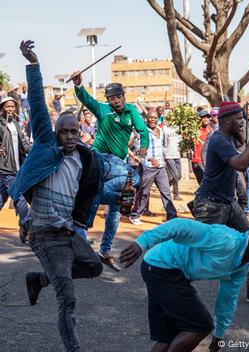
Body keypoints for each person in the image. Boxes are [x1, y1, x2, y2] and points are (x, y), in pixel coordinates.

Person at [12, 40, 105, 352]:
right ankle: (74, 348)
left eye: (74, 132)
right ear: (56, 133)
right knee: (67, 297)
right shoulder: (44, 148)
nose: (69, 136)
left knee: (94, 267)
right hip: (44, 235)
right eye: (65, 131)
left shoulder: (85, 158)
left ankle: (40, 278)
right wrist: (34, 65)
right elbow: (37, 104)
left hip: (68, 233)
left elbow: (93, 191)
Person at [120, 218, 249, 352]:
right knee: (199, 325)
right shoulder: (226, 240)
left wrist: (219, 334)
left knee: (169, 336)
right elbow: (181, 225)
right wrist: (142, 242)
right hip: (162, 267)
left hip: (163, 269)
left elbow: (227, 298)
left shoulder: (243, 265)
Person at [193, 101, 249, 303]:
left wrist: (241, 132)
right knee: (197, 252)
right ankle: (168, 277)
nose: (243, 122)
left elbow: (240, 145)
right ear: (227, 120)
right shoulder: (219, 140)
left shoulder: (227, 137)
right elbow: (241, 164)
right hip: (210, 206)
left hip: (228, 203)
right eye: (239, 119)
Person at [70, 69, 149, 270]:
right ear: (108, 100)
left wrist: (144, 146)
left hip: (118, 162)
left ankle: (104, 251)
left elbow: (142, 130)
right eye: (112, 98)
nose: (116, 101)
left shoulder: (131, 111)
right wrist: (79, 84)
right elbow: (85, 98)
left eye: (118, 97)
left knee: (116, 208)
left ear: (124, 96)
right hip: (99, 159)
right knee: (133, 179)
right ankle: (98, 199)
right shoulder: (103, 110)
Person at [129, 109, 177, 225]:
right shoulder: (143, 132)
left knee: (166, 192)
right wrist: (150, 158)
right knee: (144, 192)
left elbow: (163, 146)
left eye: (155, 118)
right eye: (150, 117)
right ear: (147, 118)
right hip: (148, 167)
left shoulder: (161, 130)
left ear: (157, 119)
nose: (152, 120)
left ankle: (172, 217)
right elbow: (140, 148)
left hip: (161, 167)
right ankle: (135, 214)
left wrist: (163, 158)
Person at [0, 96, 31, 238]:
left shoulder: (17, 124)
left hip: (19, 167)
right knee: (20, 198)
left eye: (12, 107)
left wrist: (35, 150)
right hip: (6, 168)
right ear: (2, 109)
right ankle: (26, 227)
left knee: (2, 198)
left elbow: (24, 143)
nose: (11, 109)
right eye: (7, 107)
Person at [163, 118, 182, 200]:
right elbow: (163, 143)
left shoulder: (178, 128)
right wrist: (164, 155)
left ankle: (164, 186)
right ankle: (176, 194)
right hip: (169, 155)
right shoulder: (165, 129)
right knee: (175, 175)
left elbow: (181, 140)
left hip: (177, 154)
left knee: (179, 175)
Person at [191, 110, 213, 185]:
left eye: (207, 117)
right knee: (204, 185)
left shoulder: (211, 131)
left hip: (208, 162)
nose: (205, 119)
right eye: (203, 117)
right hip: (198, 161)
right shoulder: (195, 131)